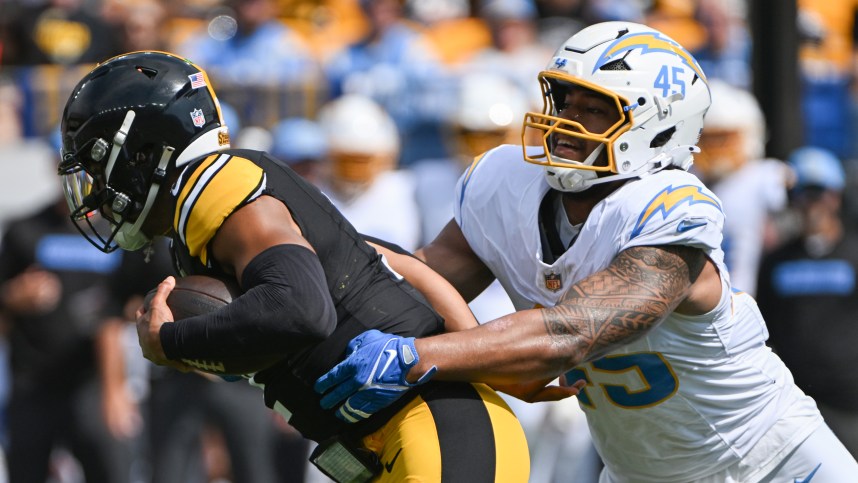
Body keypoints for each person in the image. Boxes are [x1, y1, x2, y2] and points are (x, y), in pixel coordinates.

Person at [314, 21, 858, 482]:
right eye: (564, 99)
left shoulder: (669, 208)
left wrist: (419, 358)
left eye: (595, 109)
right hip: (636, 471)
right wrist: (321, 304)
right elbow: (422, 283)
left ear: (657, 124)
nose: (566, 121)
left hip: (773, 461)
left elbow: (570, 331)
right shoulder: (506, 182)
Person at [56, 50, 537, 482]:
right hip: (412, 438)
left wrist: (171, 342)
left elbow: (301, 310)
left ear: (142, 152)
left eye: (99, 165)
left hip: (434, 430)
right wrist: (478, 354)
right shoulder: (214, 206)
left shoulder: (213, 189)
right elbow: (399, 265)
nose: (97, 187)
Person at [757, 146, 858, 458]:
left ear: (836, 196)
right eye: (800, 193)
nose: (809, 203)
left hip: (850, 400)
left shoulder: (854, 254)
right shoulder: (775, 261)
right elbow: (766, 328)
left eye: (817, 192)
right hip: (796, 403)